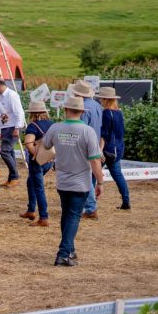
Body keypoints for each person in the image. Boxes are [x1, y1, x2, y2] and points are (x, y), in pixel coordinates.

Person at [41, 96, 105, 267]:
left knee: (67, 214)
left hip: (62, 181)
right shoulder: (88, 132)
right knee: (73, 216)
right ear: (82, 111)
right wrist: (100, 182)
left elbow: (46, 145)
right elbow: (95, 160)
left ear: (65, 110)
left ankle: (70, 250)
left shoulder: (56, 128)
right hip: (81, 182)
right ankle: (63, 253)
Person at [72, 79, 103, 219]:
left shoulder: (83, 107)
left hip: (84, 144)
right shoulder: (97, 105)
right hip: (95, 141)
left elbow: (80, 127)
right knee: (90, 176)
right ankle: (90, 204)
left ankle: (90, 208)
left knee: (85, 177)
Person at [20, 101, 54, 226]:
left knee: (39, 188)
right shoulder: (51, 124)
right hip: (49, 160)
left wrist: (37, 156)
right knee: (30, 182)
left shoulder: (33, 126)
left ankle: (43, 217)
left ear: (32, 113)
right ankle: (30, 210)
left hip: (37, 162)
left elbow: (29, 143)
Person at [96, 87, 131, 210]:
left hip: (107, 150)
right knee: (117, 175)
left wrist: (99, 150)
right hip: (118, 150)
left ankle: (89, 203)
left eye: (101, 97)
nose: (99, 99)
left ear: (105, 99)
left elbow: (104, 134)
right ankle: (126, 201)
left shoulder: (106, 113)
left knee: (92, 173)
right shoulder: (118, 112)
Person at [0, 79, 25, 187]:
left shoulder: (11, 95)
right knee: (10, 152)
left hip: (12, 127)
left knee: (4, 151)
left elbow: (19, 112)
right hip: (6, 127)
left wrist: (17, 128)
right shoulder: (1, 96)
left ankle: (15, 177)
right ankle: (11, 178)